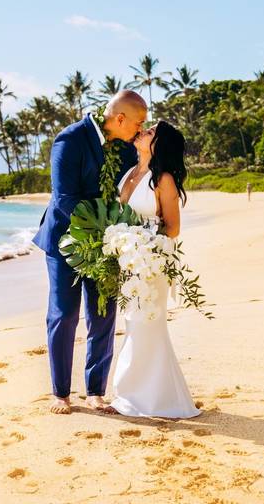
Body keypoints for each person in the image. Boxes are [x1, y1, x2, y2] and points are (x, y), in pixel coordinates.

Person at [32, 90, 146, 415]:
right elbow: (65, 198)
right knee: (64, 314)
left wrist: (117, 235)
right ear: (119, 118)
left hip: (106, 239)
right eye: (138, 122)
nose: (140, 128)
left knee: (103, 314)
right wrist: (106, 231)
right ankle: (60, 393)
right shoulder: (69, 139)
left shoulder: (126, 145)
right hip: (64, 239)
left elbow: (126, 191)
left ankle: (95, 391)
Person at [109, 120, 202, 419]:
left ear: (158, 145)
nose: (143, 132)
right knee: (134, 323)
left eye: (151, 133)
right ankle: (136, 395)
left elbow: (172, 229)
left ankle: (143, 398)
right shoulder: (130, 174)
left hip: (151, 263)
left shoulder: (162, 179)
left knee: (146, 324)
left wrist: (141, 244)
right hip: (129, 260)